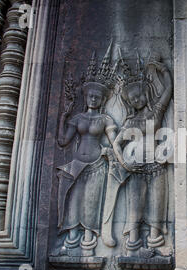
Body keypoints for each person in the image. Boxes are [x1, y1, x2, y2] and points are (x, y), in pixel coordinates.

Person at [56, 48, 117, 257]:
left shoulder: (105, 120)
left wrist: (116, 148)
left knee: (92, 201)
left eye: (97, 96)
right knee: (74, 200)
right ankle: (72, 237)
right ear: (85, 96)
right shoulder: (78, 118)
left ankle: (89, 239)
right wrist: (63, 117)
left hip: (97, 164)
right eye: (90, 95)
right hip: (77, 163)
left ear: (102, 99)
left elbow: (113, 141)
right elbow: (63, 141)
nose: (93, 98)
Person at [112, 52, 173, 258]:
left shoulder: (156, 112)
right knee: (134, 209)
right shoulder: (129, 121)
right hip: (136, 168)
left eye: (139, 94)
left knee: (157, 208)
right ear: (128, 102)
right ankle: (132, 245)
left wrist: (162, 69)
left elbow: (168, 90)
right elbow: (116, 143)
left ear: (146, 92)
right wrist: (124, 164)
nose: (137, 100)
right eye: (132, 98)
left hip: (156, 166)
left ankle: (155, 243)